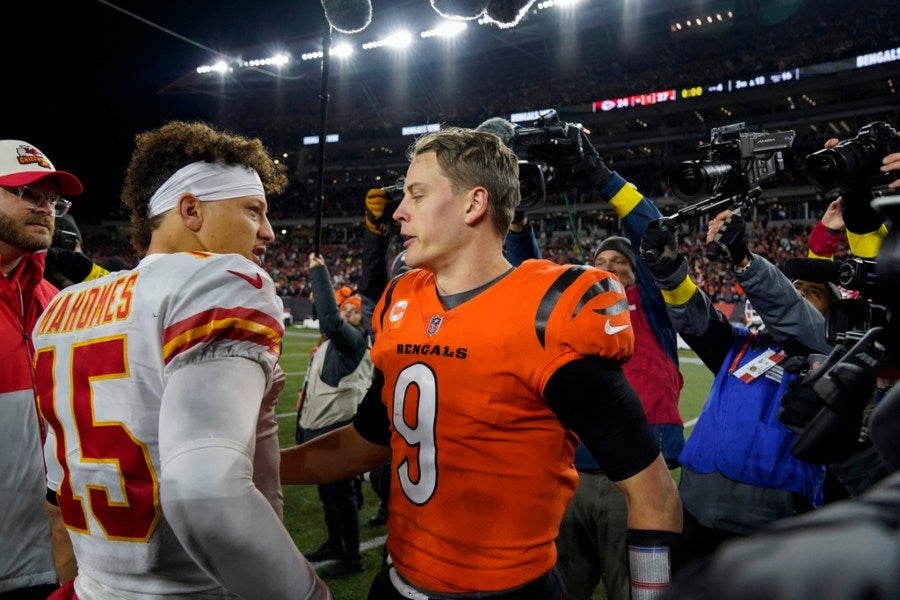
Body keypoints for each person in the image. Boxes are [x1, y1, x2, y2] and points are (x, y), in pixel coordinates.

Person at [281, 126, 682, 599]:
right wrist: (257, 463)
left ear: (473, 205)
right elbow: (370, 438)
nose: (400, 210)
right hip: (396, 584)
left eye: (417, 193)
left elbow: (654, 496)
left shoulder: (550, 312)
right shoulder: (402, 300)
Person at [32, 120, 331, 599]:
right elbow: (206, 492)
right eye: (253, 210)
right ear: (190, 209)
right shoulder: (219, 280)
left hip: (93, 587)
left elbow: (56, 490)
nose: (269, 233)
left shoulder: (63, 307)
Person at [639, 208, 835, 568]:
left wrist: (745, 262)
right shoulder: (743, 345)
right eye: (797, 289)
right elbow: (698, 318)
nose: (801, 296)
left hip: (771, 518)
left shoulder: (828, 356)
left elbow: (793, 315)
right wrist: (669, 273)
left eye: (814, 293)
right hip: (695, 505)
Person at [556, 167, 686, 600]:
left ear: (636, 274)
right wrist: (518, 226)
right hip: (574, 471)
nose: (608, 268)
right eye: (600, 262)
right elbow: (527, 281)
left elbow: (653, 230)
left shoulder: (650, 305)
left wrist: (598, 176)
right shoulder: (574, 314)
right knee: (564, 585)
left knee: (631, 589)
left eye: (620, 263)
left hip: (635, 474)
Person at [1, 138, 80, 597]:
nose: (44, 207)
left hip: (55, 557)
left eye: (52, 198)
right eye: (25, 192)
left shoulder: (56, 303)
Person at [296, 254, 373, 578]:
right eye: (346, 309)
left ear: (360, 319)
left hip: (335, 429)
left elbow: (329, 319)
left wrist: (318, 272)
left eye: (355, 311)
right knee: (327, 494)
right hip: (317, 428)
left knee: (341, 498)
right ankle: (335, 544)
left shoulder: (353, 341)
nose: (348, 313)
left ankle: (352, 558)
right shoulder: (330, 345)